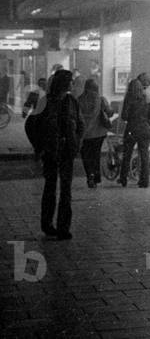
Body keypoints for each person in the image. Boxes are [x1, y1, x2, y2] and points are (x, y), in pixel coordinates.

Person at [36, 69, 83, 239]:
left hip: (67, 151)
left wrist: (76, 142)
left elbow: (80, 124)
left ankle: (63, 227)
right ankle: (47, 224)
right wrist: (39, 146)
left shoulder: (72, 101)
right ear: (64, 82)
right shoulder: (45, 101)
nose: (72, 83)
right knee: (50, 187)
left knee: (65, 189)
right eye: (70, 80)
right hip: (50, 151)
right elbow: (32, 125)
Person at [77, 79, 113, 188]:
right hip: (98, 133)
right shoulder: (101, 99)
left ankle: (90, 176)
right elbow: (109, 112)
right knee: (96, 155)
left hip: (84, 134)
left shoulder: (79, 100)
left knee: (86, 156)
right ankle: (96, 176)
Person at [119, 78, 150, 188]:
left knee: (127, 154)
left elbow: (124, 116)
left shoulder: (129, 99)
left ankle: (123, 178)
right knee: (144, 155)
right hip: (144, 129)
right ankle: (144, 181)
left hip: (131, 129)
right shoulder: (146, 98)